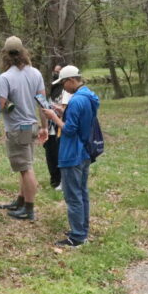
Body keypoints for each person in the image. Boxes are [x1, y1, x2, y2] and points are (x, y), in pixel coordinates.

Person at [42, 66, 100, 248]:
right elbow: (78, 120)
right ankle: (82, 229)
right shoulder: (88, 97)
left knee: (73, 195)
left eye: (63, 83)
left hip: (72, 153)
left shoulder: (76, 101)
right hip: (84, 151)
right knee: (82, 192)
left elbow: (69, 129)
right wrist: (61, 111)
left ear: (71, 80)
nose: (63, 88)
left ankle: (77, 237)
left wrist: (53, 116)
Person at [0, 37, 48, 221]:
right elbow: (43, 103)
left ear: (5, 55)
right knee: (23, 166)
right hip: (32, 126)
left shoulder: (5, 77)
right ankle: (20, 200)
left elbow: (1, 104)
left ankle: (29, 208)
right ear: (23, 52)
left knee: (26, 168)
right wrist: (45, 126)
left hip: (18, 128)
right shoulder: (36, 73)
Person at [43, 65, 66, 191]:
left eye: (58, 72)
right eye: (55, 71)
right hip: (50, 127)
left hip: (60, 127)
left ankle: (62, 180)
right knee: (50, 154)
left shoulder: (68, 90)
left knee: (59, 154)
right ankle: (54, 180)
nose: (56, 74)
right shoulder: (53, 88)